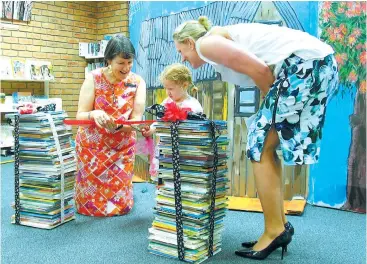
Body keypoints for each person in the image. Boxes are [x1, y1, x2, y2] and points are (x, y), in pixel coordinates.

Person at [172, 16, 339, 260]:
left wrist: (266, 106)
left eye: (181, 51)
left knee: (259, 145)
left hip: (306, 65)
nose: (183, 58)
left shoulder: (206, 44)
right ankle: (279, 225)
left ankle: (275, 230)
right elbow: (265, 68)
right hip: (317, 64)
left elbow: (260, 70)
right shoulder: (220, 36)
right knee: (265, 145)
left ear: (189, 42)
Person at [74, 35, 146, 217]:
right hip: (92, 149)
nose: (126, 68)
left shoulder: (137, 82)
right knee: (88, 205)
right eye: (121, 63)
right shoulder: (93, 78)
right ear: (108, 60)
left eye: (130, 62)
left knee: (120, 206)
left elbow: (137, 119)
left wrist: (120, 127)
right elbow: (80, 115)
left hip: (122, 149)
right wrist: (94, 113)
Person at [141, 63, 203, 138]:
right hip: (166, 145)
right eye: (166, 88)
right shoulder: (166, 102)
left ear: (185, 85)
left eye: (171, 89)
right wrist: (151, 130)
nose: (167, 92)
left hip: (185, 145)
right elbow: (160, 121)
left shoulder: (193, 105)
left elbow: (198, 128)